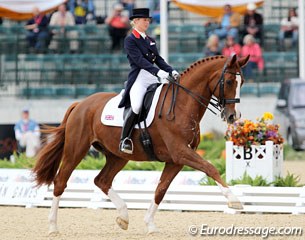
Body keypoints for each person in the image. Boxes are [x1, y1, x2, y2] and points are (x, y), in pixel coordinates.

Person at [117, 8, 180, 154]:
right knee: (137, 106)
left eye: (148, 20)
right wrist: (158, 71)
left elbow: (158, 59)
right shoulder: (130, 40)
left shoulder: (150, 40)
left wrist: (171, 70)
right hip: (139, 77)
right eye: (144, 20)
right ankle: (124, 139)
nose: (147, 22)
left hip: (152, 77)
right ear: (136, 21)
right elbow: (138, 60)